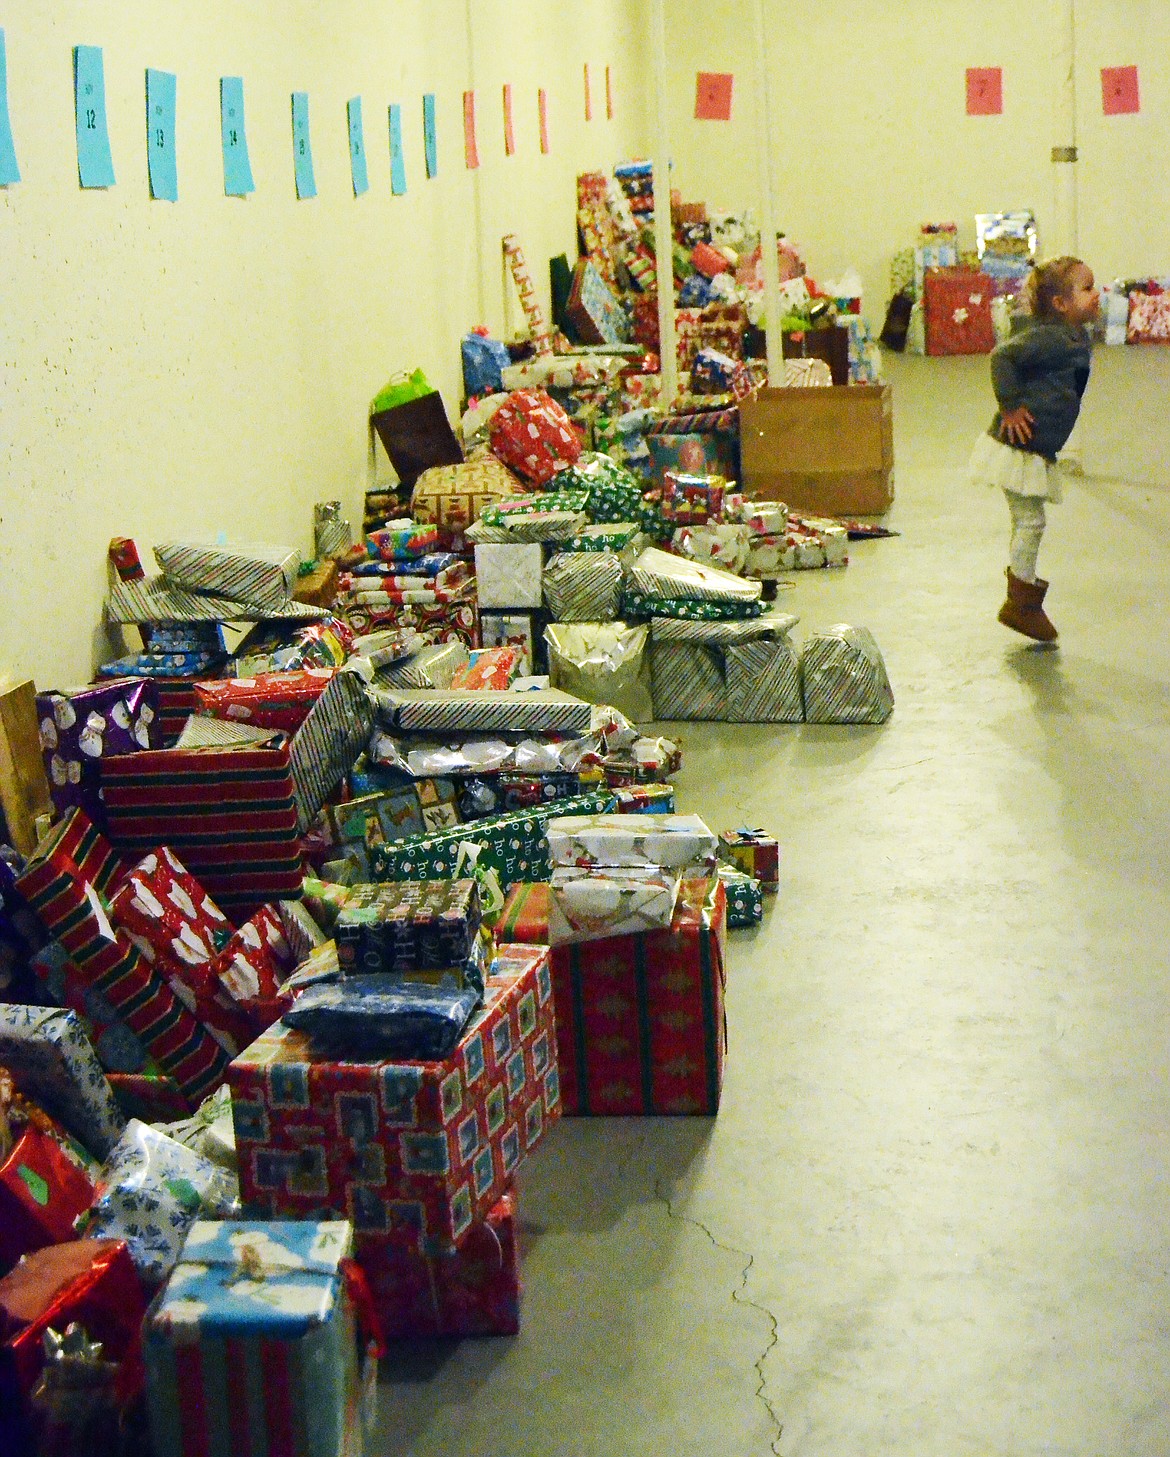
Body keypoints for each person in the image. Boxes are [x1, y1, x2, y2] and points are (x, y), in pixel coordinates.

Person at [969, 256, 1099, 642]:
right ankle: (1021, 602)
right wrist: (1009, 406)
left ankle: (1022, 596)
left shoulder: (1072, 336)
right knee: (1031, 521)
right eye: (1087, 288)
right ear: (1060, 304)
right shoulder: (1049, 337)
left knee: (1026, 519)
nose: (1097, 294)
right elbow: (1002, 357)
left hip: (1036, 449)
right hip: (1017, 449)